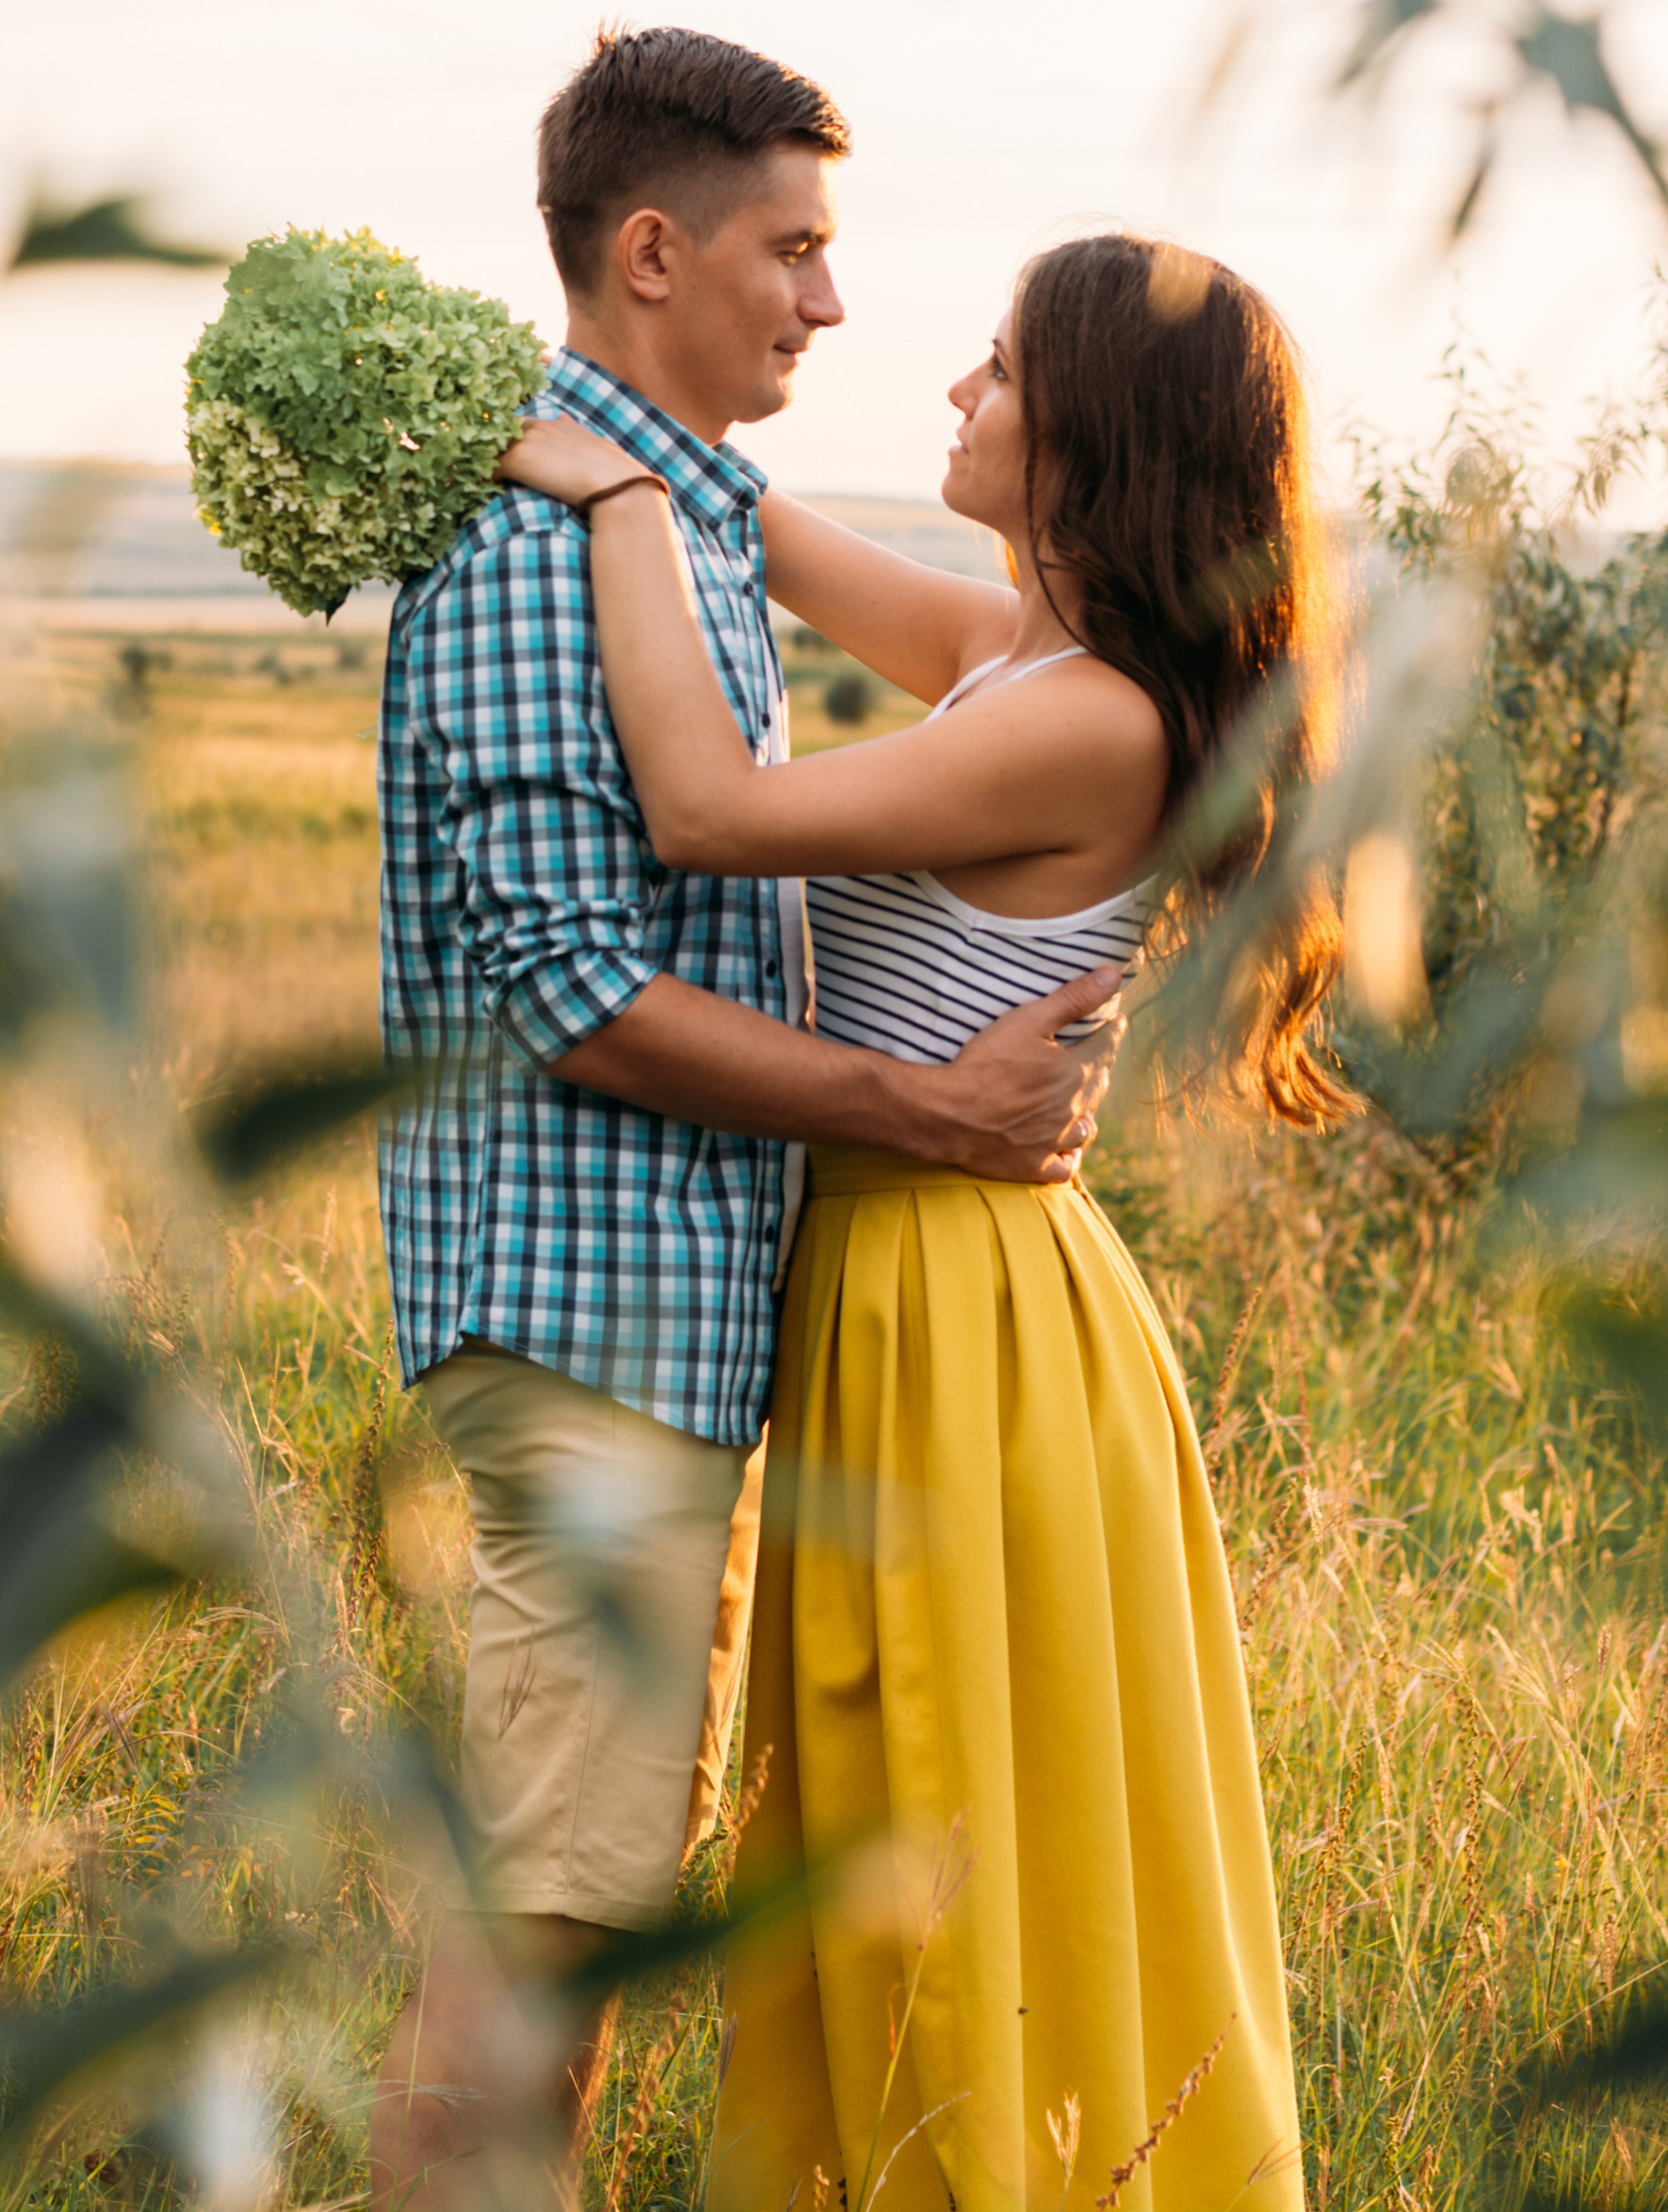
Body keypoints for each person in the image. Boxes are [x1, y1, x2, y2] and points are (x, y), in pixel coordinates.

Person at [499, 228, 1344, 2212]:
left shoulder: (1094, 720)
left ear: (1095, 438)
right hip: (911, 1278)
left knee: (962, 1825)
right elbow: (768, 517)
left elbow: (705, 807)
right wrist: (598, 400)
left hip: (961, 1303)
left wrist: (614, 493)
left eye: (994, 367)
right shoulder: (1014, 652)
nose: (952, 391)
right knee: (897, 1812)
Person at [367, 31, 1125, 2210]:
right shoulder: (544, 550)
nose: (830, 299)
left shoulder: (661, 517)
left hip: (662, 1323)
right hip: (588, 1320)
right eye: (794, 248)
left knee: (579, 1885)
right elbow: (581, 993)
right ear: (649, 250)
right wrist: (923, 1103)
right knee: (545, 1903)